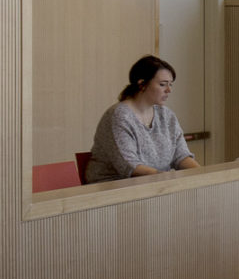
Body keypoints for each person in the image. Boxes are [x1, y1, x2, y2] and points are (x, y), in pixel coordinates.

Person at [85, 55, 200, 183]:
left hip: (155, 184)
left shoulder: (167, 116)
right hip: (113, 189)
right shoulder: (119, 116)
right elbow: (130, 166)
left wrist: (202, 174)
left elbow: (181, 156)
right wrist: (166, 178)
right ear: (142, 84)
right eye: (163, 85)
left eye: (170, 85)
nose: (169, 90)